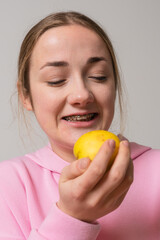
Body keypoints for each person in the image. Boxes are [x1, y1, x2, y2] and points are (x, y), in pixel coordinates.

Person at [0, 11, 159, 240]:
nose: (82, 95)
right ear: (25, 95)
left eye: (98, 76)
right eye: (56, 80)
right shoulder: (8, 183)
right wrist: (72, 216)